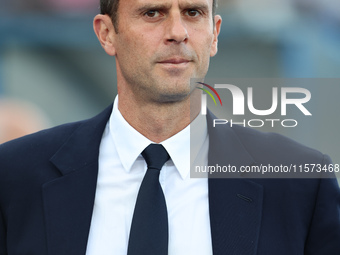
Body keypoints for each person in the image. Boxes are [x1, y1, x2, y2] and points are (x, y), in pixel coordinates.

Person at [0, 0, 339, 254]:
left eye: (193, 12)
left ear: (215, 34)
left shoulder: (300, 184)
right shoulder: (15, 175)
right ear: (106, 33)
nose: (178, 32)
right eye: (153, 13)